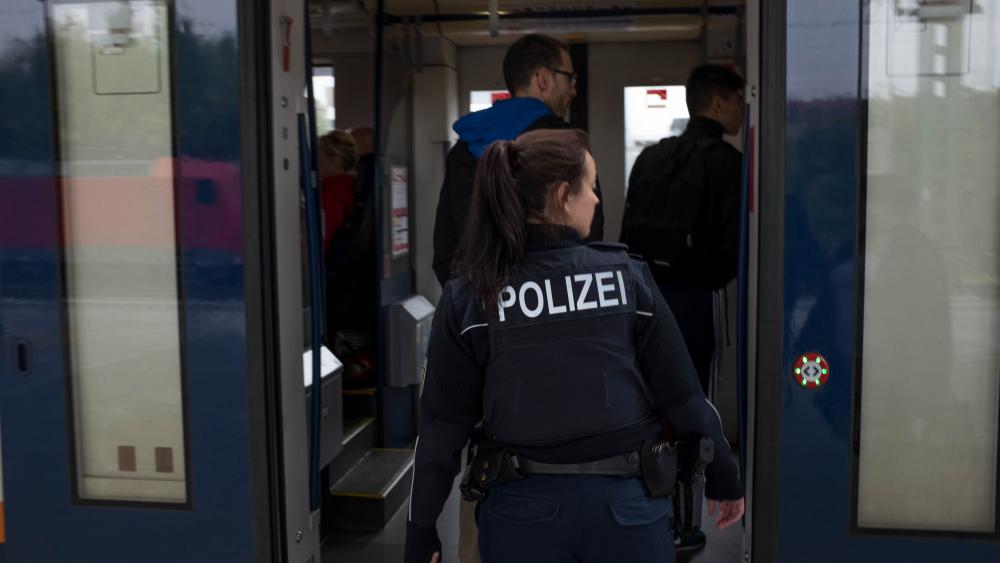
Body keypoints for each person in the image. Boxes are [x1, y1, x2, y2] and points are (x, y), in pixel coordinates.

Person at [405, 129, 743, 563]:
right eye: (591, 185)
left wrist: (421, 529)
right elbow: (684, 398)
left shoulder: (472, 294)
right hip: (628, 513)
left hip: (521, 518)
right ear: (565, 195)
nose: (597, 200)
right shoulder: (626, 279)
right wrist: (724, 477)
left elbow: (440, 431)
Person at [620, 63, 744, 552]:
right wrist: (707, 281)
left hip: (643, 297)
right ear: (716, 103)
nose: (739, 110)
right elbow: (733, 247)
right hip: (695, 300)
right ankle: (684, 523)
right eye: (736, 101)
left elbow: (628, 235)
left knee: (646, 402)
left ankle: (645, 505)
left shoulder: (651, 157)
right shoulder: (727, 162)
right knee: (693, 406)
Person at [432, 33, 605, 288]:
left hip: (483, 310)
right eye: (569, 78)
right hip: (554, 309)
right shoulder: (565, 146)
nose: (573, 89)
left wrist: (472, 307)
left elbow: (446, 250)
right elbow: (589, 236)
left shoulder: (465, 146)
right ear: (543, 79)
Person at [317, 129, 359, 250]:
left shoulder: (331, 195)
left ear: (336, 160)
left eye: (320, 156)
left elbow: (321, 245)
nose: (315, 161)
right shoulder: (351, 186)